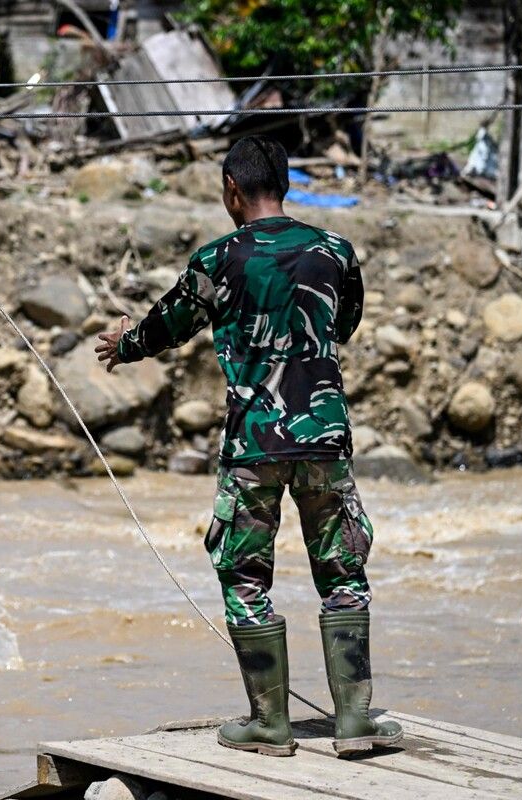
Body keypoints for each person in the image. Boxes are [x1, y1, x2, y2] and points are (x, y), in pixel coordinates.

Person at [94, 135, 402, 757]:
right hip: (324, 437)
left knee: (244, 577)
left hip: (252, 444)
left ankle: (269, 724)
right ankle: (353, 722)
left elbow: (168, 325)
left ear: (232, 190)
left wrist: (123, 343)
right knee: (344, 572)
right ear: (284, 184)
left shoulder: (217, 258)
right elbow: (343, 323)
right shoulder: (336, 252)